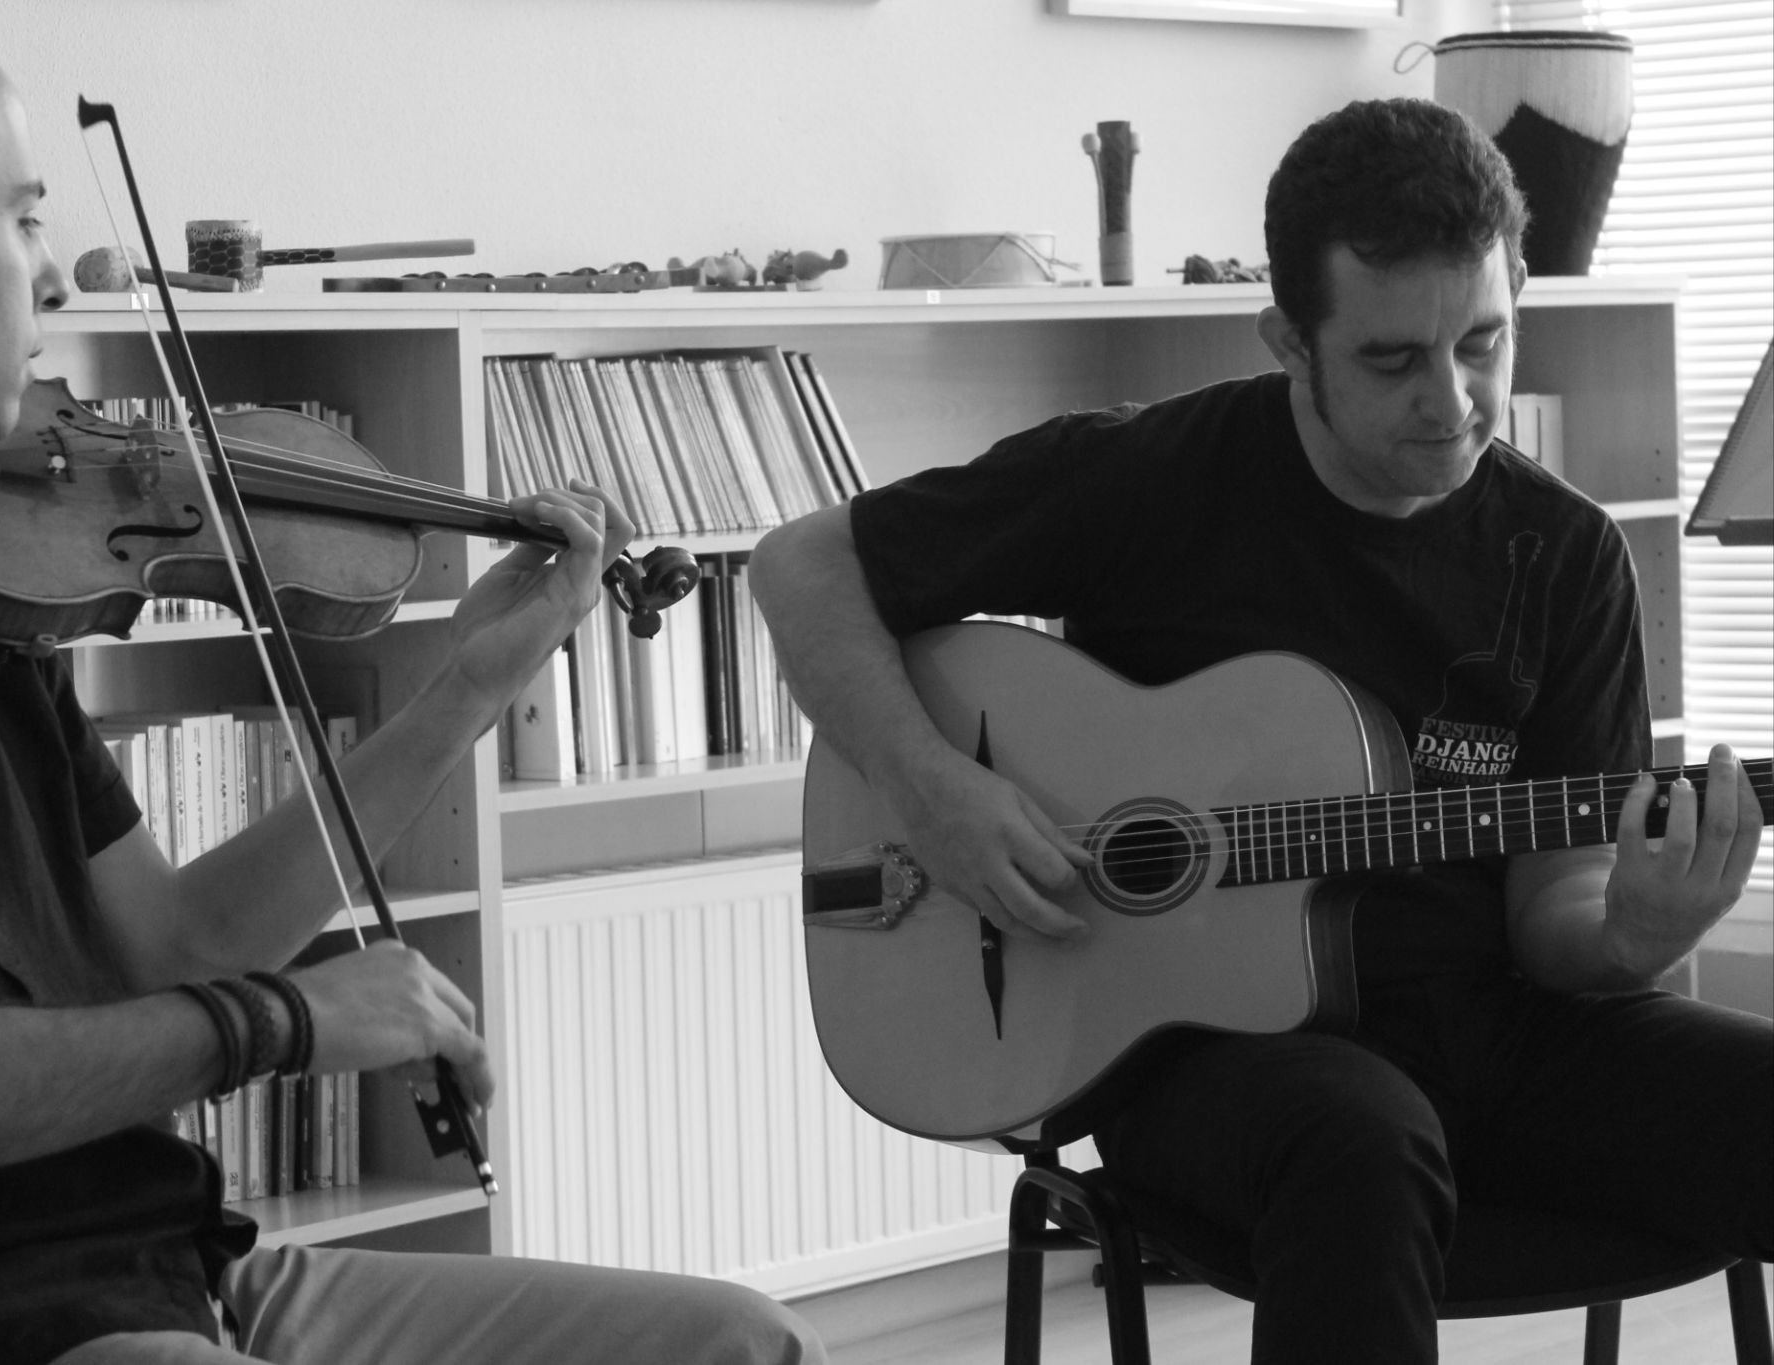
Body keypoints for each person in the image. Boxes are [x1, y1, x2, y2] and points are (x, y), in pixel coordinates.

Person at [0, 7, 825, 1364]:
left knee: (741, 1345)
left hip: (168, 1268)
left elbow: (174, 943)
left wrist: (465, 689)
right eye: (22, 218)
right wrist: (283, 1021)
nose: (53, 277)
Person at [752, 97, 1769, 1363]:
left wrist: (1635, 932)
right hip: (1206, 1055)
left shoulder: (1560, 553)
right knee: (1359, 1142)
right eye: (1391, 360)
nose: (1452, 402)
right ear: (1289, 340)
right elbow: (800, 566)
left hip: (1494, 1034)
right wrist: (929, 789)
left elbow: (1553, 913)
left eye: (1482, 342)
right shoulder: (1149, 477)